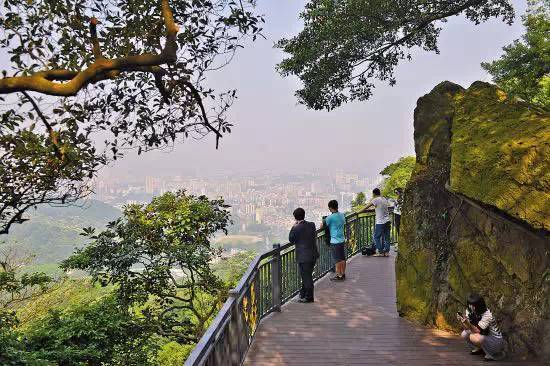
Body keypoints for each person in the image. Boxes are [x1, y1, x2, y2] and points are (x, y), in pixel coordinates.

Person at [457, 293, 505, 362]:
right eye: (469, 304)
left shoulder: (487, 314)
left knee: (474, 337)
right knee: (464, 334)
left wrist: (467, 322)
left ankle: (491, 354)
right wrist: (461, 321)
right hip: (484, 335)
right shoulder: (469, 311)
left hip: (495, 341)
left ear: (479, 305)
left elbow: (476, 330)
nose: (471, 307)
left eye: (473, 305)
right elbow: (467, 328)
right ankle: (479, 349)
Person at [289, 207, 319, 303]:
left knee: (306, 277)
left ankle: (309, 297)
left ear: (295, 218)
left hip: (303, 257)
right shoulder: (312, 225)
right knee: (307, 275)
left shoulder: (296, 228)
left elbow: (291, 239)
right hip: (313, 254)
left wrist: (293, 227)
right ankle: (303, 294)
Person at [320, 200, 347, 281]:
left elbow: (321, 226)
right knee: (342, 258)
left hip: (334, 241)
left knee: (337, 260)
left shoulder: (330, 217)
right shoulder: (342, 215)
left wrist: (324, 220)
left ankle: (339, 275)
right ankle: (343, 273)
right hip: (342, 239)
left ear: (330, 208)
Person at [360, 188, 391, 257]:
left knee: (376, 237)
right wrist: (375, 208)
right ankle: (387, 252)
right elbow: (381, 207)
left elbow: (366, 207)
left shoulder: (375, 200)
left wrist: (359, 211)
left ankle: (380, 252)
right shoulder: (384, 199)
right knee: (387, 237)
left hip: (380, 222)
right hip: (387, 220)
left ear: (374, 194)